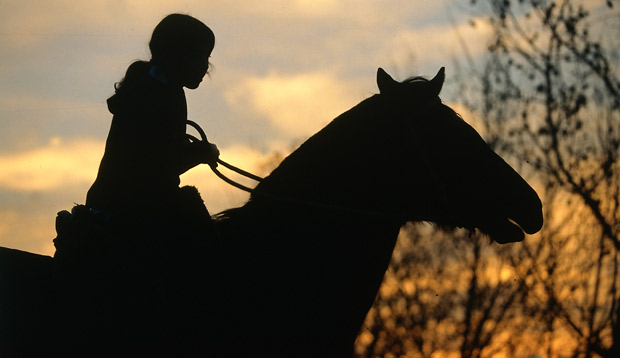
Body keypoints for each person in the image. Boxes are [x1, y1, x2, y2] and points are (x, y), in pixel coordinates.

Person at [86, 13, 219, 222]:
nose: (206, 65)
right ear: (177, 56)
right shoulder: (154, 95)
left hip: (118, 202)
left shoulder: (159, 88)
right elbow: (157, 164)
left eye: (207, 57)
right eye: (200, 56)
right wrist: (202, 153)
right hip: (131, 208)